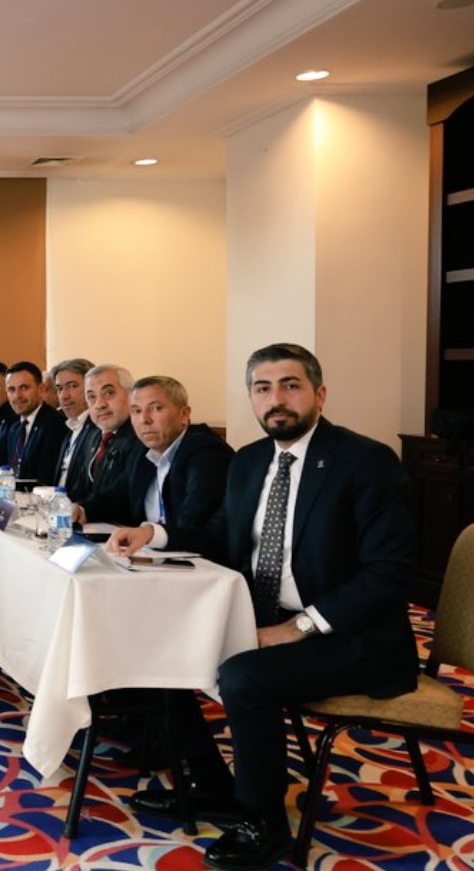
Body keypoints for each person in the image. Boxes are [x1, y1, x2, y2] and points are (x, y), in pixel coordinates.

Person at [124, 344, 418, 870]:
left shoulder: (366, 461)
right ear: (251, 399)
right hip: (265, 617)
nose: (276, 399)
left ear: (320, 394)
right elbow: (221, 536)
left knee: (244, 677)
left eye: (290, 385)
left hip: (352, 635)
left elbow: (390, 573)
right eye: (263, 388)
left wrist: (299, 627)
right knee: (160, 643)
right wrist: (155, 534)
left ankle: (264, 821)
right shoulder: (250, 460)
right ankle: (211, 784)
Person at [100, 375, 233, 548]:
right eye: (136, 411)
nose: (144, 420)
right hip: (153, 555)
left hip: (198, 559)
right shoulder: (143, 451)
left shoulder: (206, 453)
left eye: (156, 408)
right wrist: (80, 510)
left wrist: (150, 534)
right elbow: (116, 497)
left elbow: (194, 527)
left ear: (184, 415)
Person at [68, 364, 145, 512]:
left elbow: (123, 498)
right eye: (91, 397)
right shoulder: (92, 436)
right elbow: (79, 490)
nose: (99, 404)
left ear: (131, 396)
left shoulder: (141, 437)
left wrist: (85, 511)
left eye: (109, 393)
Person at [0, 361, 67, 487]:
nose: (17, 396)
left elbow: (45, 479)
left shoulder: (55, 424)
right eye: (11, 390)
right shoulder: (14, 428)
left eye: (24, 388)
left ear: (41, 389)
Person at [48, 358, 95, 489]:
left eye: (73, 386)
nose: (64, 396)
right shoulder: (69, 426)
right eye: (59, 388)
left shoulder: (98, 429)